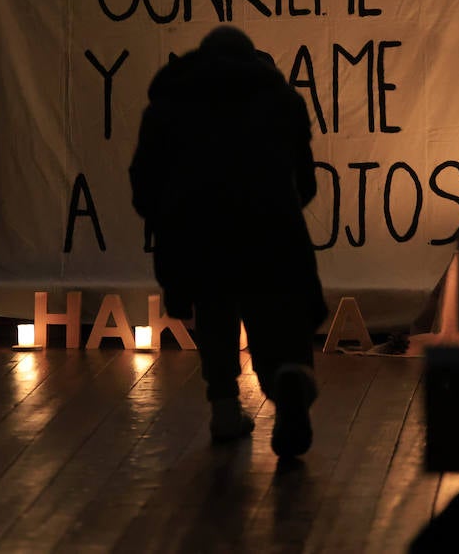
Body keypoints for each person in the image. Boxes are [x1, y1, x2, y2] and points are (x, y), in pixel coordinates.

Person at [130, 25, 327, 457]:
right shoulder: (281, 101)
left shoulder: (168, 106)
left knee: (214, 312)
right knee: (276, 314)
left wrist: (167, 219)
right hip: (270, 226)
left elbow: (144, 182)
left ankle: (223, 409)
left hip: (198, 230)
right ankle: (287, 377)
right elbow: (305, 182)